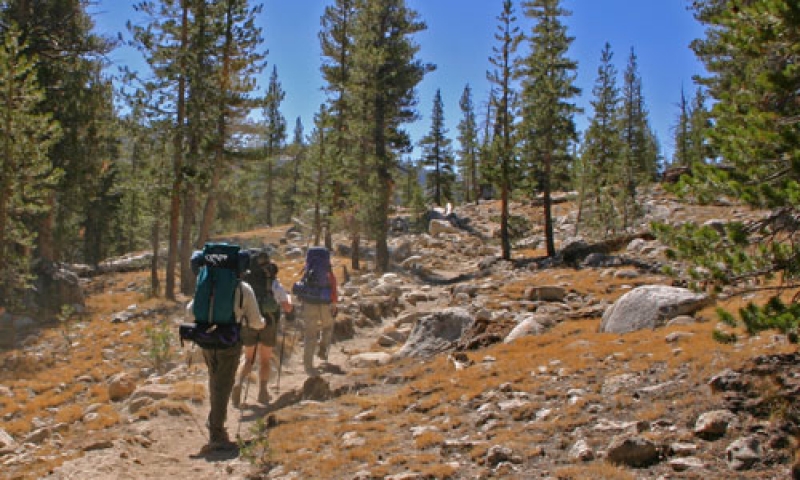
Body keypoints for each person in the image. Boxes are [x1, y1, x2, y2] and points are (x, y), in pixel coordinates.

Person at [186, 251, 265, 450]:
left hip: (205, 339)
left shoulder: (206, 285)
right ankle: (217, 432)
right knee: (225, 383)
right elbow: (255, 321)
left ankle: (215, 419)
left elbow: (190, 311)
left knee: (215, 380)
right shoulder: (242, 288)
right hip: (229, 341)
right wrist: (262, 324)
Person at [232, 250, 293, 407]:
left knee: (247, 358)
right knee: (265, 359)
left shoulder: (244, 282)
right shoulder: (272, 282)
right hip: (268, 323)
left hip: (248, 323)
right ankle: (263, 392)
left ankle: (238, 383)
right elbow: (287, 306)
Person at [298, 250, 338, 377]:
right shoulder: (327, 270)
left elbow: (302, 286)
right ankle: (322, 348)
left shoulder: (308, 269)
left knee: (310, 335)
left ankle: (308, 367)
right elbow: (333, 286)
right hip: (325, 303)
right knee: (328, 326)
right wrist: (334, 303)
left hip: (309, 303)